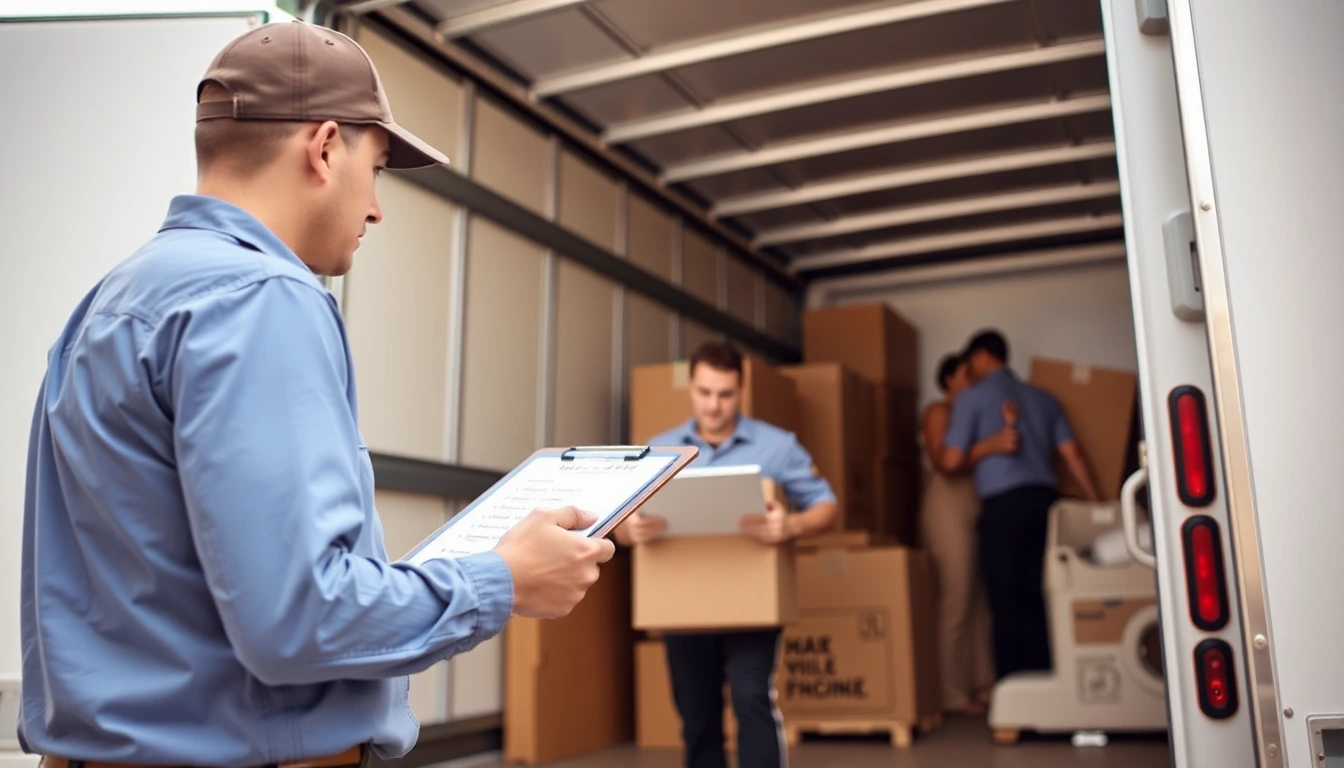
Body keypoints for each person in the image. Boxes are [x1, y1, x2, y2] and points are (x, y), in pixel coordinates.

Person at [17, 21, 614, 768]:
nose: (377, 208)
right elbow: (300, 618)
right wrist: (502, 578)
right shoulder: (261, 298)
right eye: (379, 167)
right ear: (326, 146)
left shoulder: (108, 305)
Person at [615, 341, 839, 768]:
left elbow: (827, 507)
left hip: (752, 603)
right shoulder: (658, 451)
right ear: (691, 388)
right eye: (704, 393)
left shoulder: (778, 446)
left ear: (742, 388)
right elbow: (620, 528)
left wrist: (790, 525)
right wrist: (632, 531)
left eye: (725, 394)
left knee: (751, 696)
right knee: (696, 714)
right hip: (682, 602)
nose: (714, 405)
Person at [939, 330, 1100, 681]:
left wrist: (985, 447)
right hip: (1046, 505)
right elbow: (1072, 454)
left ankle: (1013, 694)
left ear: (981, 356)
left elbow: (950, 462)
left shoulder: (973, 399)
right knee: (1043, 595)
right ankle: (1050, 685)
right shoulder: (1044, 398)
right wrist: (1098, 507)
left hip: (1003, 508)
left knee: (1006, 600)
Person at [918, 353, 1014, 716]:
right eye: (966, 375)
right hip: (947, 505)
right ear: (950, 379)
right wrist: (992, 444)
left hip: (977, 503)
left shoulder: (978, 411)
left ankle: (982, 685)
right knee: (956, 597)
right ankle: (951, 694)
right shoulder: (938, 411)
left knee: (980, 601)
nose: (974, 380)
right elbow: (946, 461)